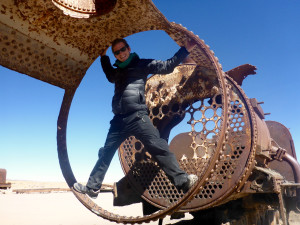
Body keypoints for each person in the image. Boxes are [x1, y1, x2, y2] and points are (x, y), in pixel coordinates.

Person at [73, 38, 198, 199]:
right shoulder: (117, 71)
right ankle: (92, 187)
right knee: (106, 153)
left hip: (138, 116)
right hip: (118, 120)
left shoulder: (142, 64)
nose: (120, 54)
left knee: (158, 147)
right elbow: (110, 76)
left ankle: (183, 181)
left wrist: (185, 50)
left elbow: (167, 66)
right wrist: (103, 57)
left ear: (128, 48)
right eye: (116, 52)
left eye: (122, 49)